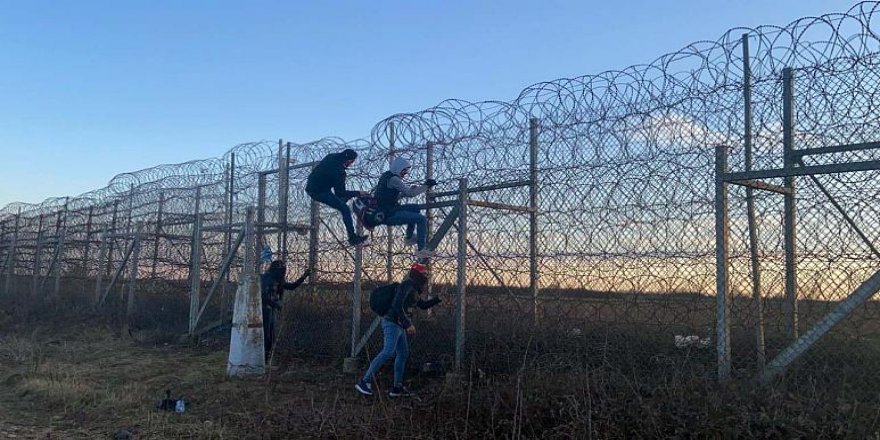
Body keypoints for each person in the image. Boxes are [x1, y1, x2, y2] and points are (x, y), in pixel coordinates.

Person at [355, 263, 441, 398]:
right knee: (388, 351)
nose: (427, 276)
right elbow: (396, 305)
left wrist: (438, 299)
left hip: (399, 325)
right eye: (425, 274)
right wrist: (408, 324)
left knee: (402, 353)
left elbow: (422, 305)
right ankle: (364, 382)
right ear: (418, 274)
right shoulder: (407, 285)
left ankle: (397, 388)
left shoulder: (414, 288)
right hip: (392, 323)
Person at [374, 157, 437, 259]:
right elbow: (411, 194)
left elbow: (389, 196)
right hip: (388, 214)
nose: (405, 173)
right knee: (421, 219)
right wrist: (426, 185)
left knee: (415, 208)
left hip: (386, 209)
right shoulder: (394, 179)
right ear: (398, 168)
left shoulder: (387, 176)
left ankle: (409, 238)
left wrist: (405, 192)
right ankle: (421, 250)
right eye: (404, 170)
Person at [306, 149, 369, 246]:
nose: (351, 164)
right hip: (320, 192)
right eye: (352, 162)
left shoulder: (330, 157)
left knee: (342, 201)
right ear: (348, 160)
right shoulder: (340, 172)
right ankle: (352, 238)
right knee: (345, 209)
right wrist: (358, 193)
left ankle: (344, 204)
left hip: (311, 185)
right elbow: (340, 193)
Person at [261, 260, 311, 360]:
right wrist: (274, 304)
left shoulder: (278, 280)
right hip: (263, 310)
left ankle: (266, 357)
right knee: (265, 335)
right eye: (281, 270)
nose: (283, 273)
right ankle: (263, 357)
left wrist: (304, 276)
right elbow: (263, 296)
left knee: (270, 335)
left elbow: (292, 286)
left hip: (270, 310)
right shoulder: (266, 278)